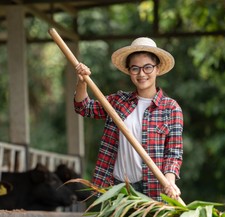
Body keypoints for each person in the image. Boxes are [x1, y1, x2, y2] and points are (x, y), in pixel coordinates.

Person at [74, 37, 183, 201]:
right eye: (135, 68)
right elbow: (83, 107)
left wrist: (169, 182)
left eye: (147, 67)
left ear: (157, 69)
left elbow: (173, 153)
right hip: (117, 189)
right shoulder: (118, 102)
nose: (141, 74)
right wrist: (82, 83)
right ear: (129, 71)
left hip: (153, 191)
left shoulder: (170, 108)